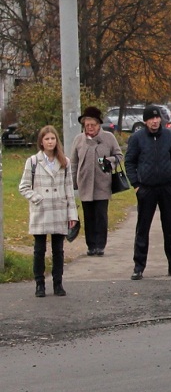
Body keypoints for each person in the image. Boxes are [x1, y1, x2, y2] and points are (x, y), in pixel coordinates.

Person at [124, 105, 171, 280]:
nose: (155, 121)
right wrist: (136, 184)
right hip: (146, 189)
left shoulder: (168, 136)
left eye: (157, 118)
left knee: (169, 228)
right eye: (151, 118)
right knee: (143, 229)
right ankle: (139, 267)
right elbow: (130, 162)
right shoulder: (137, 138)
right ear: (145, 121)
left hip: (167, 188)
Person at [19, 125, 78, 297]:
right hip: (41, 211)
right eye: (47, 139)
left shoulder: (64, 162)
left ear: (56, 141)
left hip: (59, 210)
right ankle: (39, 284)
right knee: (39, 250)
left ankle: (58, 283)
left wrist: (72, 215)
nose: (50, 142)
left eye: (53, 138)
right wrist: (37, 198)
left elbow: (69, 191)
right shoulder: (33, 162)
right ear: (41, 142)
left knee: (58, 250)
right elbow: (23, 187)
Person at [71, 105, 123, 256]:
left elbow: (119, 156)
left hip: (102, 183)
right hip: (85, 183)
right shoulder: (79, 140)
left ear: (99, 125)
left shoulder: (108, 138)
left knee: (101, 216)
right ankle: (91, 245)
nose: (90, 128)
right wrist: (74, 182)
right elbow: (73, 163)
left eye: (92, 125)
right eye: (87, 125)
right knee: (88, 216)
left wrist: (110, 160)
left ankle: (100, 245)